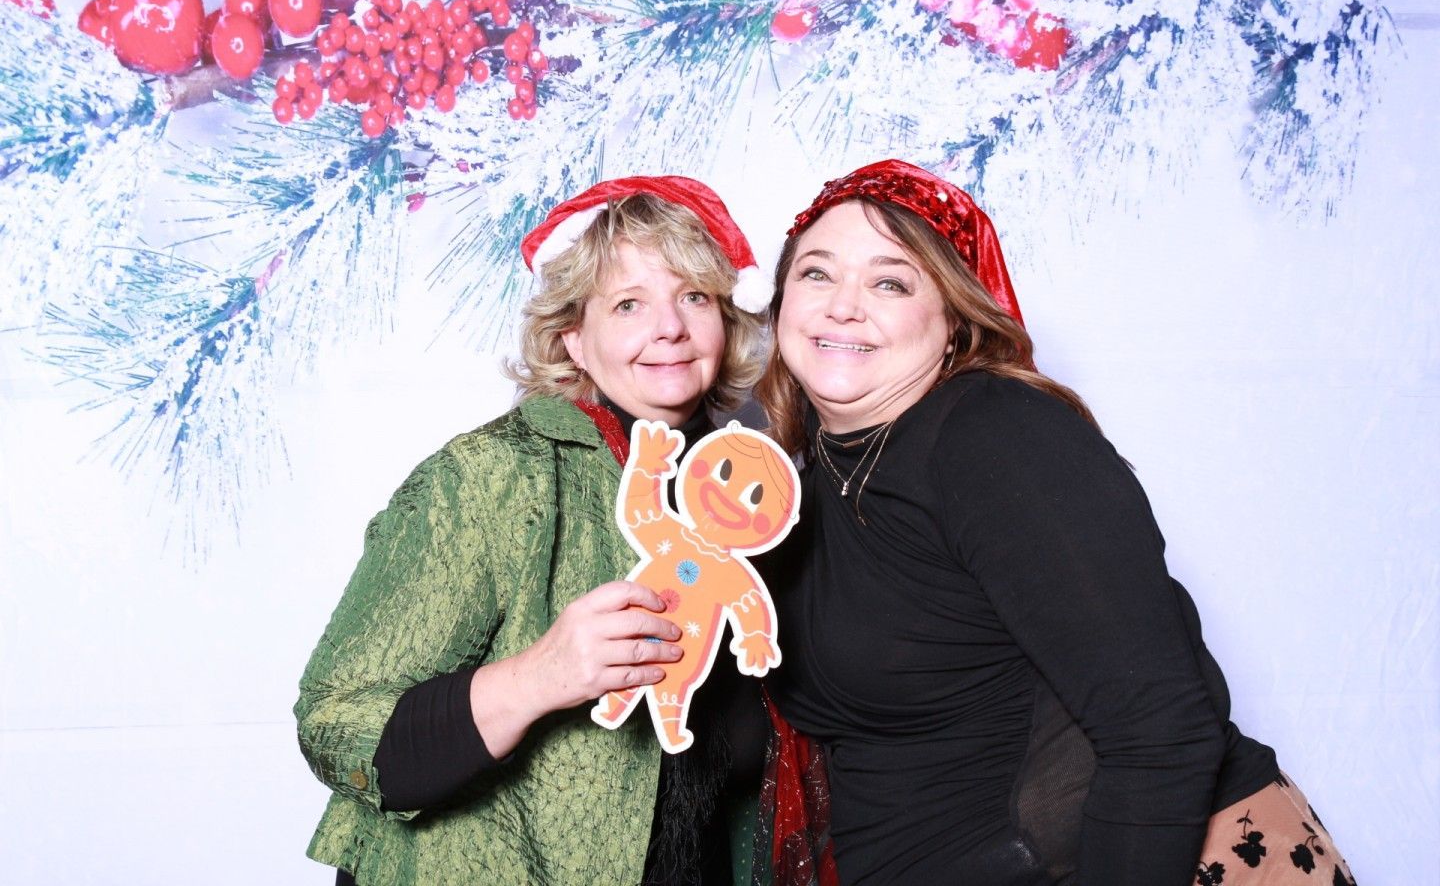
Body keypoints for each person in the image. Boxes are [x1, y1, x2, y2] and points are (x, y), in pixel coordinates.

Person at [754, 160, 1357, 886]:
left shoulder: (996, 436)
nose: (843, 306)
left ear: (952, 320)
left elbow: (1162, 728)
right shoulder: (801, 480)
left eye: (891, 282)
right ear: (780, 299)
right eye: (818, 274)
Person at [295, 176, 776, 886]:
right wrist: (540, 676)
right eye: (628, 304)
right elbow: (335, 724)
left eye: (694, 296)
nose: (670, 327)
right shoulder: (490, 477)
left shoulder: (744, 497)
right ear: (573, 338)